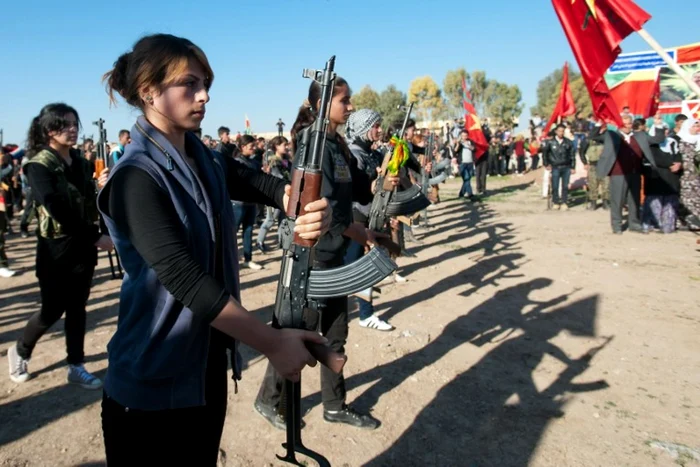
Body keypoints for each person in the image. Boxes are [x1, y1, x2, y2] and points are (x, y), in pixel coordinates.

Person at [96, 34, 332, 466]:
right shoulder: (135, 178)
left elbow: (264, 185)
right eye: (189, 83)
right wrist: (272, 343)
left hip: (205, 369)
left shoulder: (203, 158)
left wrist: (308, 205)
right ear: (149, 92)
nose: (204, 95)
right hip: (150, 385)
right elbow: (186, 280)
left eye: (206, 82)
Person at [255, 73, 397, 431]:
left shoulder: (338, 144)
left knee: (336, 334)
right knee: (296, 332)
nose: (350, 107)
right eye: (343, 101)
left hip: (334, 255)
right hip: (313, 256)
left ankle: (335, 406)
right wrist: (359, 230)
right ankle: (269, 400)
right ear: (320, 105)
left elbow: (358, 193)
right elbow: (320, 206)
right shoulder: (312, 144)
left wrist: (384, 180)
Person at [8, 103, 113, 386]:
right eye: (64, 124)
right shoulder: (38, 165)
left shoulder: (80, 162)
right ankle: (20, 349)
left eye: (74, 123)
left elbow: (87, 201)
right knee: (52, 309)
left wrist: (99, 186)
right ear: (48, 130)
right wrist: (95, 237)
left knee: (78, 306)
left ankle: (76, 364)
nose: (72, 129)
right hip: (56, 249)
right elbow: (56, 208)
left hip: (83, 247)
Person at [344, 108, 393, 331]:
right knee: (355, 268)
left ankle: (363, 312)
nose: (379, 130)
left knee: (363, 268)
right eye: (375, 125)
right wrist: (376, 185)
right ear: (363, 128)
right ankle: (363, 314)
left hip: (370, 217)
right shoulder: (354, 154)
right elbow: (353, 192)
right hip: (357, 219)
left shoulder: (371, 152)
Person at [591, 116, 664, 234]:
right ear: (619, 124)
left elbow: (657, 139)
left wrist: (659, 125)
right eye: (624, 124)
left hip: (635, 172)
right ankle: (617, 225)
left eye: (629, 124)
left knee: (634, 200)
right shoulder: (611, 135)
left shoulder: (640, 135)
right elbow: (593, 137)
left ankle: (634, 224)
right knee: (617, 200)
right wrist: (598, 125)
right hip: (618, 173)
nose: (627, 126)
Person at [232, 134, 263, 270]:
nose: (254, 149)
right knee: (232, 232)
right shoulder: (236, 162)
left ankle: (248, 259)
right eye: (251, 146)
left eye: (254, 146)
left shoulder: (253, 162)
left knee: (248, 231)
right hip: (238, 204)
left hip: (251, 203)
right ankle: (230, 258)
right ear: (243, 147)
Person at [256, 136, 290, 252]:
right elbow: (278, 177)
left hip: (286, 194)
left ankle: (282, 241)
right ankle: (260, 241)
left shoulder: (286, 160)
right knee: (270, 219)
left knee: (283, 220)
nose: (286, 147)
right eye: (284, 145)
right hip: (274, 195)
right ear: (276, 146)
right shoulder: (273, 161)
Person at [542, 124, 575, 210]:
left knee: (565, 186)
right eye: (559, 131)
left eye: (562, 131)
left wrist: (573, 167)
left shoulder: (568, 142)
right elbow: (545, 154)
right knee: (555, 186)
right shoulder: (549, 142)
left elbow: (572, 155)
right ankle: (556, 202)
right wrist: (546, 164)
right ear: (556, 131)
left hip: (566, 166)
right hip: (555, 166)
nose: (561, 133)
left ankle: (564, 202)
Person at [676, 118, 700, 229]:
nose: (697, 128)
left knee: (697, 199)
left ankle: (697, 223)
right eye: (695, 126)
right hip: (686, 175)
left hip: (697, 175)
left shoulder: (698, 140)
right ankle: (685, 223)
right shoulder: (681, 141)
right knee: (686, 199)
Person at [579, 124, 610, 210]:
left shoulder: (604, 139)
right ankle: (593, 203)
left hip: (604, 165)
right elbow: (582, 152)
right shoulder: (587, 140)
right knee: (593, 185)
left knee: (606, 185)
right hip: (593, 165)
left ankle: (605, 203)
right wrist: (584, 162)